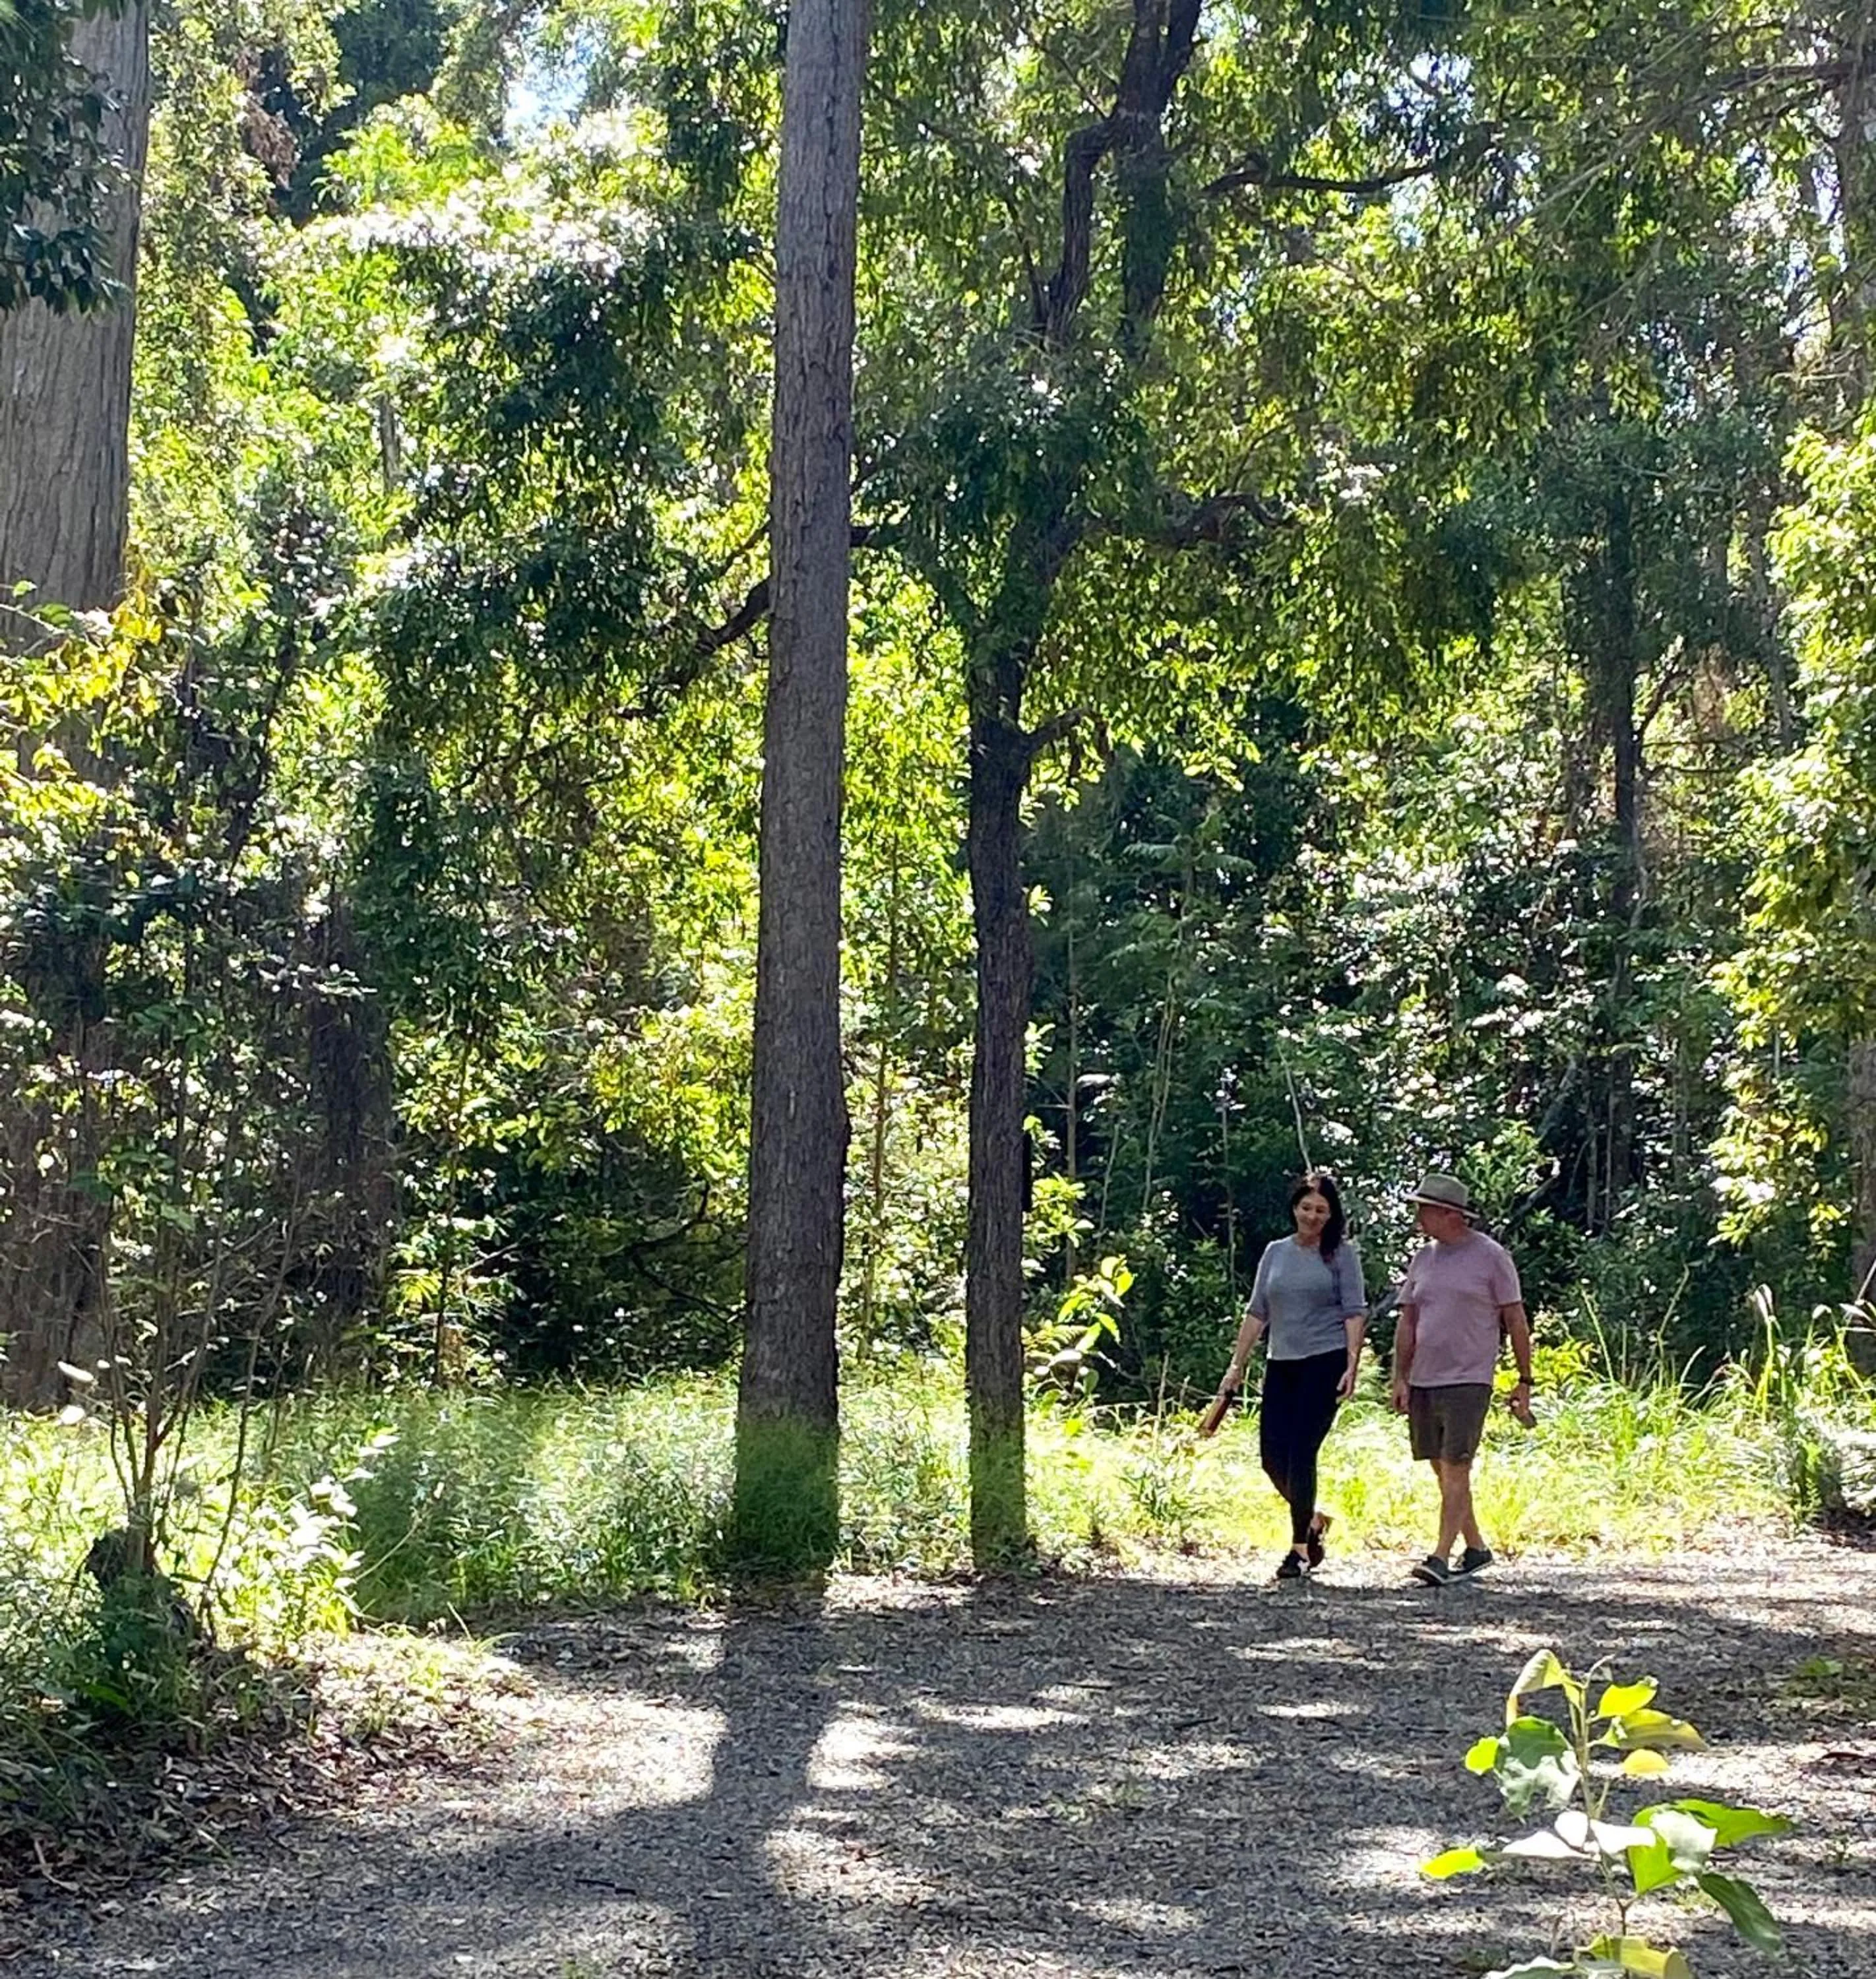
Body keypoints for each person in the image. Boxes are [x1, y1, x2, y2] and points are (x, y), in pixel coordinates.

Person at [1200, 1172, 1367, 1580]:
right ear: (1295, 1208)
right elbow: (1258, 1310)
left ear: (1332, 1215)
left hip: (1324, 1361)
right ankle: (1312, 1519)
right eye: (1306, 1208)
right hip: (1282, 1363)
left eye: (1321, 1210)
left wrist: (1351, 1364)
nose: (1312, 1216)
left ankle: (1299, 1551)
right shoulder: (1276, 1252)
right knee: (1272, 1457)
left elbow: (1354, 1312)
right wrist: (1237, 1365)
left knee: (1301, 1451)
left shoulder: (1341, 1255)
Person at [1389, 1172, 1534, 1586]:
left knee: (1457, 1466)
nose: (1419, 1216)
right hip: (1424, 1378)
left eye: (1425, 1209)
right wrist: (1401, 1376)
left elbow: (1515, 1319)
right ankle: (1475, 1548)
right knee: (1440, 1466)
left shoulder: (1491, 1257)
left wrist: (1526, 1379)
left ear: (1450, 1214)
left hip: (1469, 1378)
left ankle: (1440, 1556)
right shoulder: (1423, 1258)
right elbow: (1409, 1319)